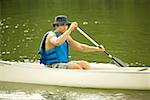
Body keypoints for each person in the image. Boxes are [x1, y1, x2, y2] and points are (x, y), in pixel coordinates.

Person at [39, 15, 105, 70]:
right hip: (52, 65)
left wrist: (96, 49)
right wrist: (70, 29)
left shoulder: (66, 36)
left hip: (63, 64)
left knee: (85, 64)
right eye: (62, 25)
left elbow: (80, 47)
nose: (65, 27)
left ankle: (90, 78)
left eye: (66, 25)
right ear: (56, 26)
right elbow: (57, 42)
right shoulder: (51, 35)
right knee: (76, 67)